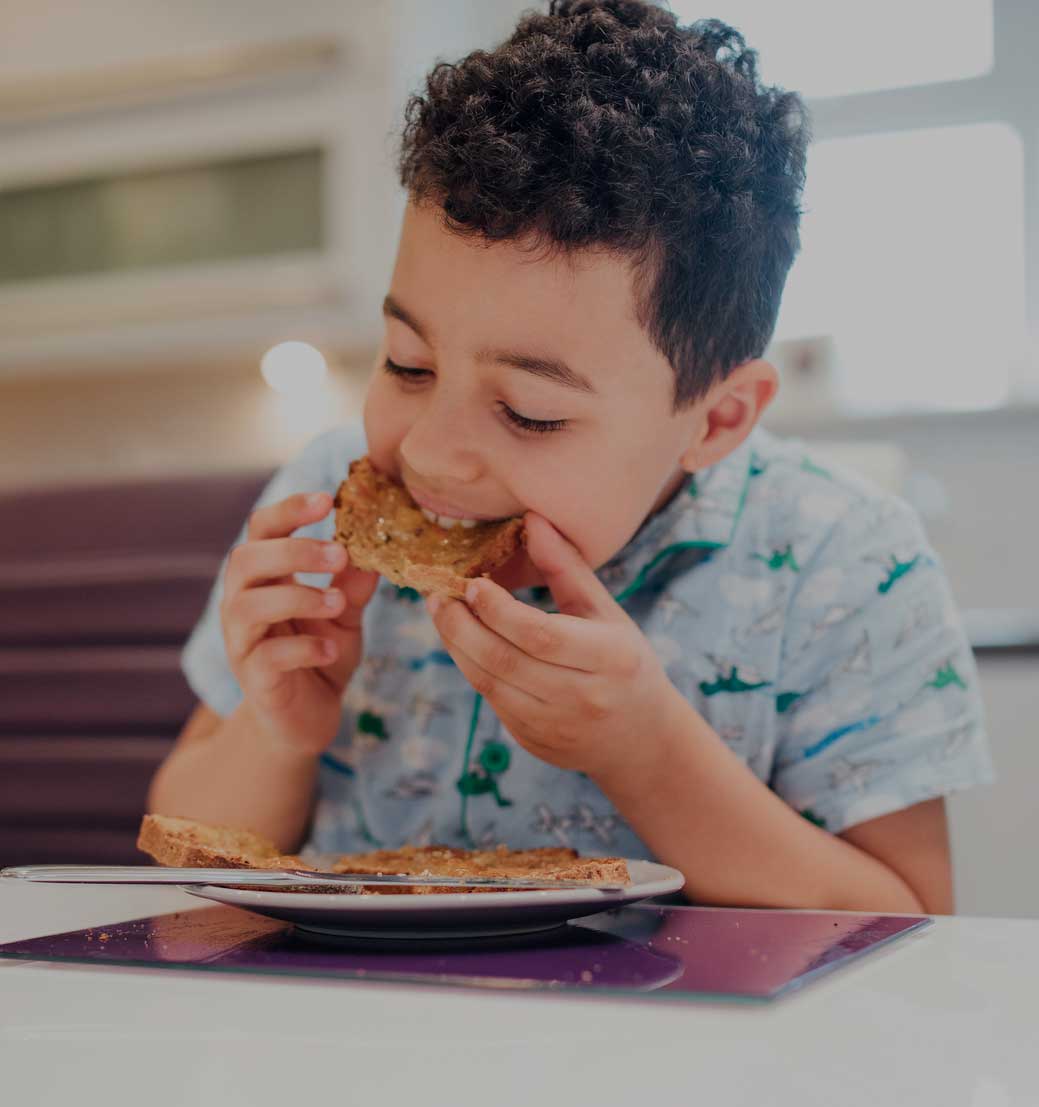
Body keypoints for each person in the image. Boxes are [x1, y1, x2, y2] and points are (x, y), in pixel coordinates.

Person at [149, 0, 994, 913]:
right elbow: (182, 858)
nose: (431, 451)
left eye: (528, 412)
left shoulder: (845, 561)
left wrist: (647, 751)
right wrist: (278, 732)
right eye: (406, 363)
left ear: (715, 419)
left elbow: (911, 926)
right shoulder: (324, 499)